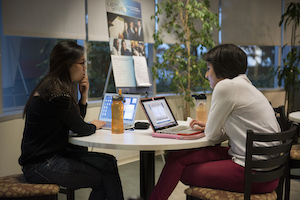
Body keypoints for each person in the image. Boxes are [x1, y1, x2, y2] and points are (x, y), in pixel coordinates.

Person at [149, 44, 281, 200]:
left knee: (182, 171)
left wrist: (213, 127)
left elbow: (212, 136)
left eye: (208, 68)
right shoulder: (246, 85)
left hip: (254, 175)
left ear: (221, 68)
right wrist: (215, 126)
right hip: (268, 172)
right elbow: (233, 129)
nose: (206, 75)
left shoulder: (226, 86)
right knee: (176, 158)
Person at [19, 41, 124, 200]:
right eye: (82, 63)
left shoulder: (52, 86)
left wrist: (83, 97)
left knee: (109, 162)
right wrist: (94, 125)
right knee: (101, 177)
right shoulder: (57, 93)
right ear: (67, 64)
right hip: (41, 165)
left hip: (49, 157)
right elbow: (81, 128)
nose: (85, 68)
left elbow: (74, 121)